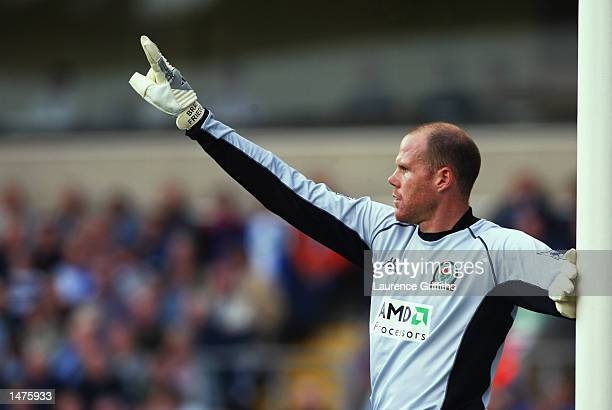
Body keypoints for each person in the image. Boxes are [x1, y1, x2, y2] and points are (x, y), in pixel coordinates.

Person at [128, 36, 578, 410]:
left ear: (443, 178)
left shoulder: (494, 253)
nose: (391, 178)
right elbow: (286, 190)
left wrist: (568, 281)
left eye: (404, 169)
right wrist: (199, 122)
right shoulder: (380, 232)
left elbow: (581, 284)